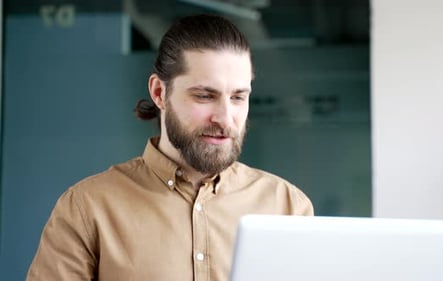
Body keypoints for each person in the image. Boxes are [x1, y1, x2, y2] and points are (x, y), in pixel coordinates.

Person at [26, 14, 314, 281]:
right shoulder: (87, 208)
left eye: (238, 97)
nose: (225, 118)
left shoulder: (288, 207)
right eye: (204, 96)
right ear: (159, 93)